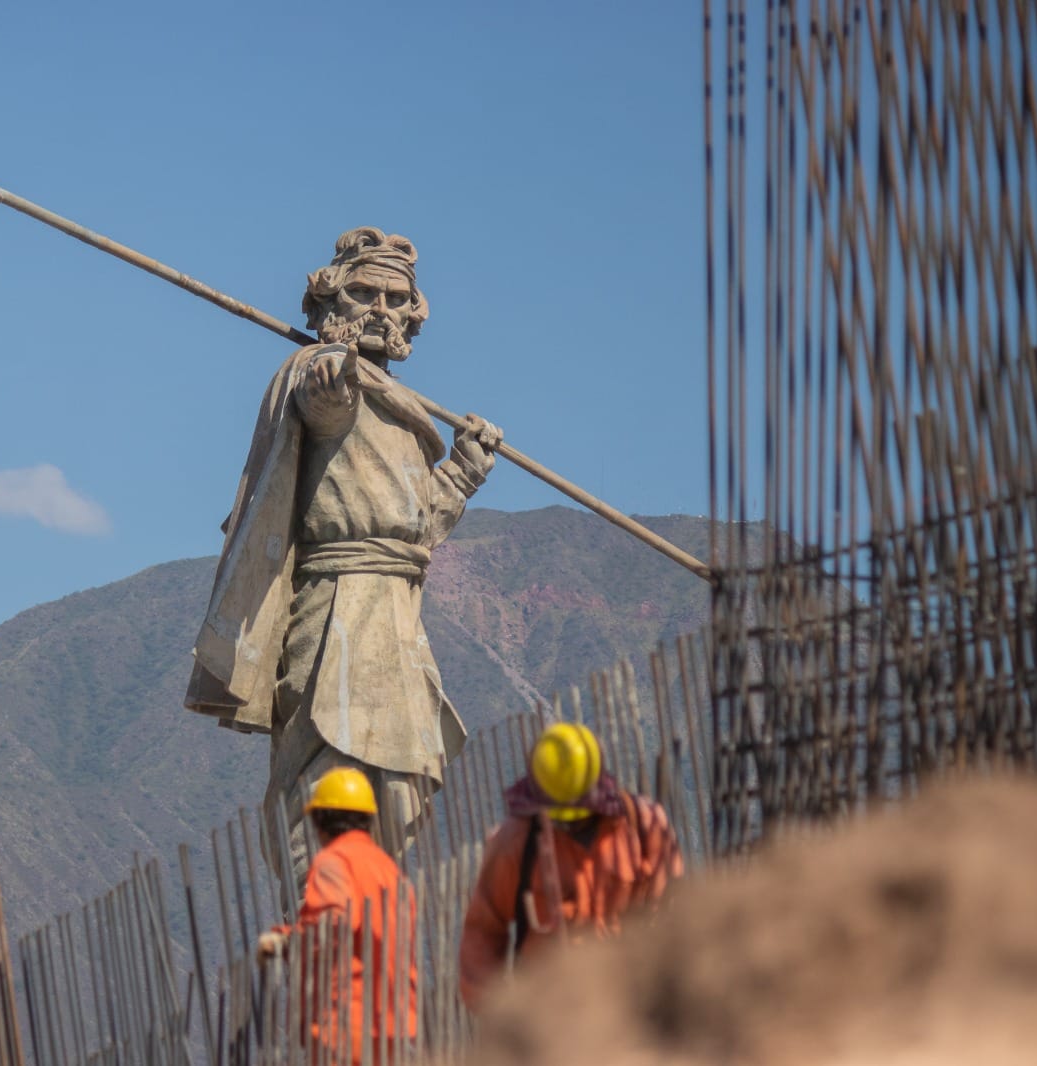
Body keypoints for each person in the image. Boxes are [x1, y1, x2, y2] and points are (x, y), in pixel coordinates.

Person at [184, 227, 502, 884]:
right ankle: (320, 923)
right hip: (336, 617)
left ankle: (370, 920)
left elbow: (412, 529)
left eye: (394, 298)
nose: (381, 310)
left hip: (396, 620)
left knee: (390, 796)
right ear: (329, 304)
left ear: (413, 314)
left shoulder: (406, 414)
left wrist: (463, 473)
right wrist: (327, 390)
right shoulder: (323, 377)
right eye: (364, 292)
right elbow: (321, 403)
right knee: (327, 781)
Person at [458, 722, 683, 1012]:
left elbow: (673, 915)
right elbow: (482, 934)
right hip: (550, 1019)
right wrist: (496, 1011)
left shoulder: (645, 828)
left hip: (630, 1007)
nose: (571, 825)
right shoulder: (515, 844)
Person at [257, 767, 418, 1064]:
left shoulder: (333, 864)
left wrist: (281, 943)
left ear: (319, 822)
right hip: (395, 1026)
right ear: (369, 820)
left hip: (348, 1027)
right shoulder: (391, 872)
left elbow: (327, 930)